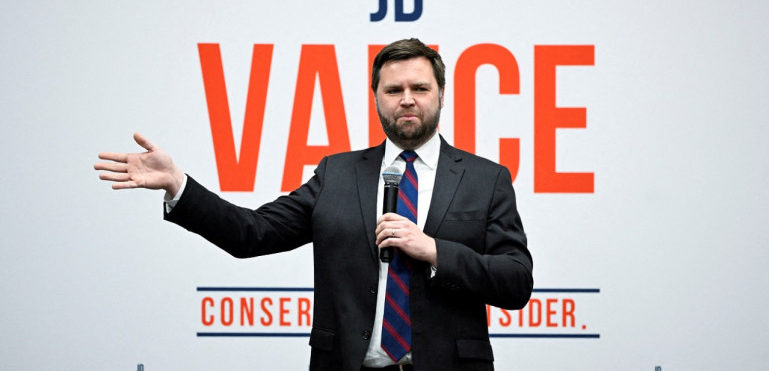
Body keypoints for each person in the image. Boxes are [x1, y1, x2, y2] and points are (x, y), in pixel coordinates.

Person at [95, 38, 533, 371]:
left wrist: (435, 250)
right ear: (376, 97)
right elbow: (252, 233)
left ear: (441, 93)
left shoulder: (485, 178)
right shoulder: (337, 175)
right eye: (393, 89)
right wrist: (179, 186)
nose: (407, 98)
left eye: (420, 87)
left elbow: (516, 281)